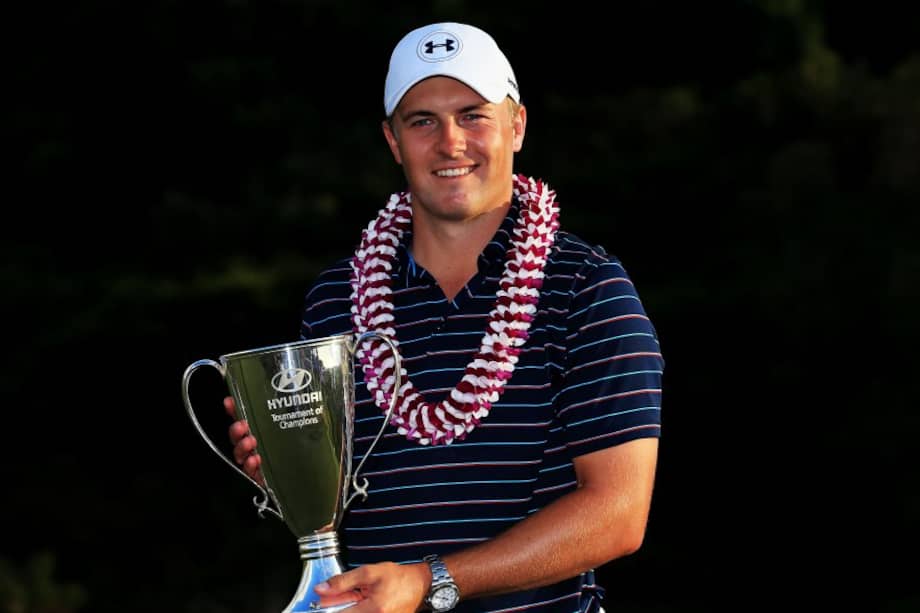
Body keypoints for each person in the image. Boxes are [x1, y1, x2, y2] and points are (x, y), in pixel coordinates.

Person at [226, 21, 663, 613]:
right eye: (422, 120)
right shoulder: (336, 298)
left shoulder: (587, 288)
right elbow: (342, 500)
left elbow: (617, 514)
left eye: (473, 114)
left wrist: (430, 581)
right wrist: (282, 468)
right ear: (392, 141)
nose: (450, 142)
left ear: (518, 126)